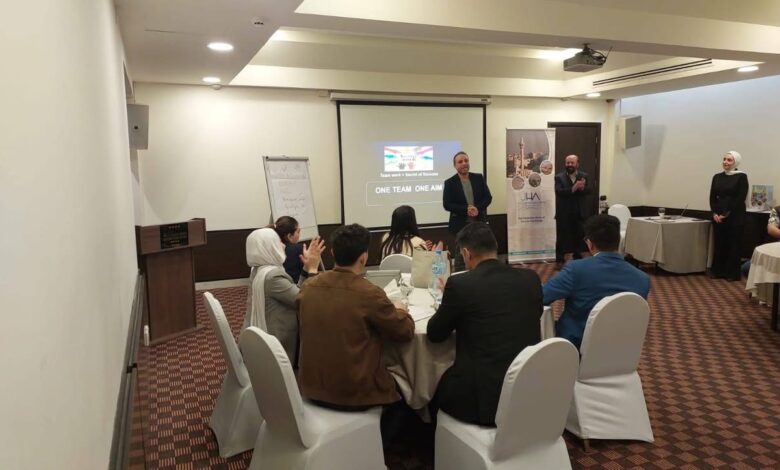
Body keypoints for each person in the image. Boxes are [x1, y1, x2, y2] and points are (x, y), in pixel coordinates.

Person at [297, 224, 414, 444]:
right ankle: (375, 448)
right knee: (407, 395)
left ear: (333, 253)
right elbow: (404, 332)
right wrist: (401, 310)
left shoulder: (309, 287)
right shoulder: (369, 293)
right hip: (354, 393)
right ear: (364, 257)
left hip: (310, 387)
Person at [427, 222, 542, 426]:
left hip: (482, 400)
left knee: (432, 389)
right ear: (495, 247)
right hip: (527, 390)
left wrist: (449, 302)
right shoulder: (531, 279)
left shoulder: (461, 285)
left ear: (466, 253)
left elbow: (435, 334)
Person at [543, 214, 650, 350]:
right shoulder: (642, 279)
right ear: (618, 241)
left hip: (575, 347)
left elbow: (542, 296)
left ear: (589, 243)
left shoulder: (576, 270)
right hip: (621, 348)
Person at [244, 227, 324, 362]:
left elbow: (296, 292)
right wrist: (313, 269)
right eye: (278, 241)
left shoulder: (257, 270)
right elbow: (307, 301)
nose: (283, 245)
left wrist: (305, 268)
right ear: (268, 248)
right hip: (279, 342)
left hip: (261, 335)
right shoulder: (273, 277)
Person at [443, 151, 492, 270]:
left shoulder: (478, 178)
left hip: (479, 224)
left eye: (466, 160)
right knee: (461, 258)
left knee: (481, 256)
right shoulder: (449, 183)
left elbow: (488, 198)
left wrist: (477, 208)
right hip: (460, 226)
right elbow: (447, 204)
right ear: (455, 166)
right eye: (460, 162)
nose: (464, 163)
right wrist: (466, 210)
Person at [709, 151, 749, 281]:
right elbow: (712, 197)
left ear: (735, 162)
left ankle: (731, 273)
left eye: (729, 160)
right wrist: (715, 213)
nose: (725, 162)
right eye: (724, 159)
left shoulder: (741, 177)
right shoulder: (717, 177)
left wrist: (726, 214)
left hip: (735, 215)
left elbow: (740, 198)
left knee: (733, 245)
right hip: (718, 215)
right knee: (720, 244)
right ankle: (718, 271)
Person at [555, 154, 591, 264]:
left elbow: (589, 191)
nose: (569, 165)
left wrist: (583, 188)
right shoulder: (559, 177)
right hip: (564, 213)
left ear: (577, 164)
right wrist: (573, 188)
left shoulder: (584, 176)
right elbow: (559, 191)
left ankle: (577, 257)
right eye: (567, 163)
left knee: (579, 236)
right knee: (562, 238)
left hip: (580, 213)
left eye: (572, 163)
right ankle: (559, 259)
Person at [274, 216, 304, 282]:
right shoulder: (299, 249)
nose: (299, 235)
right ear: (289, 236)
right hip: (297, 286)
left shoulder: (272, 249)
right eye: (298, 232)